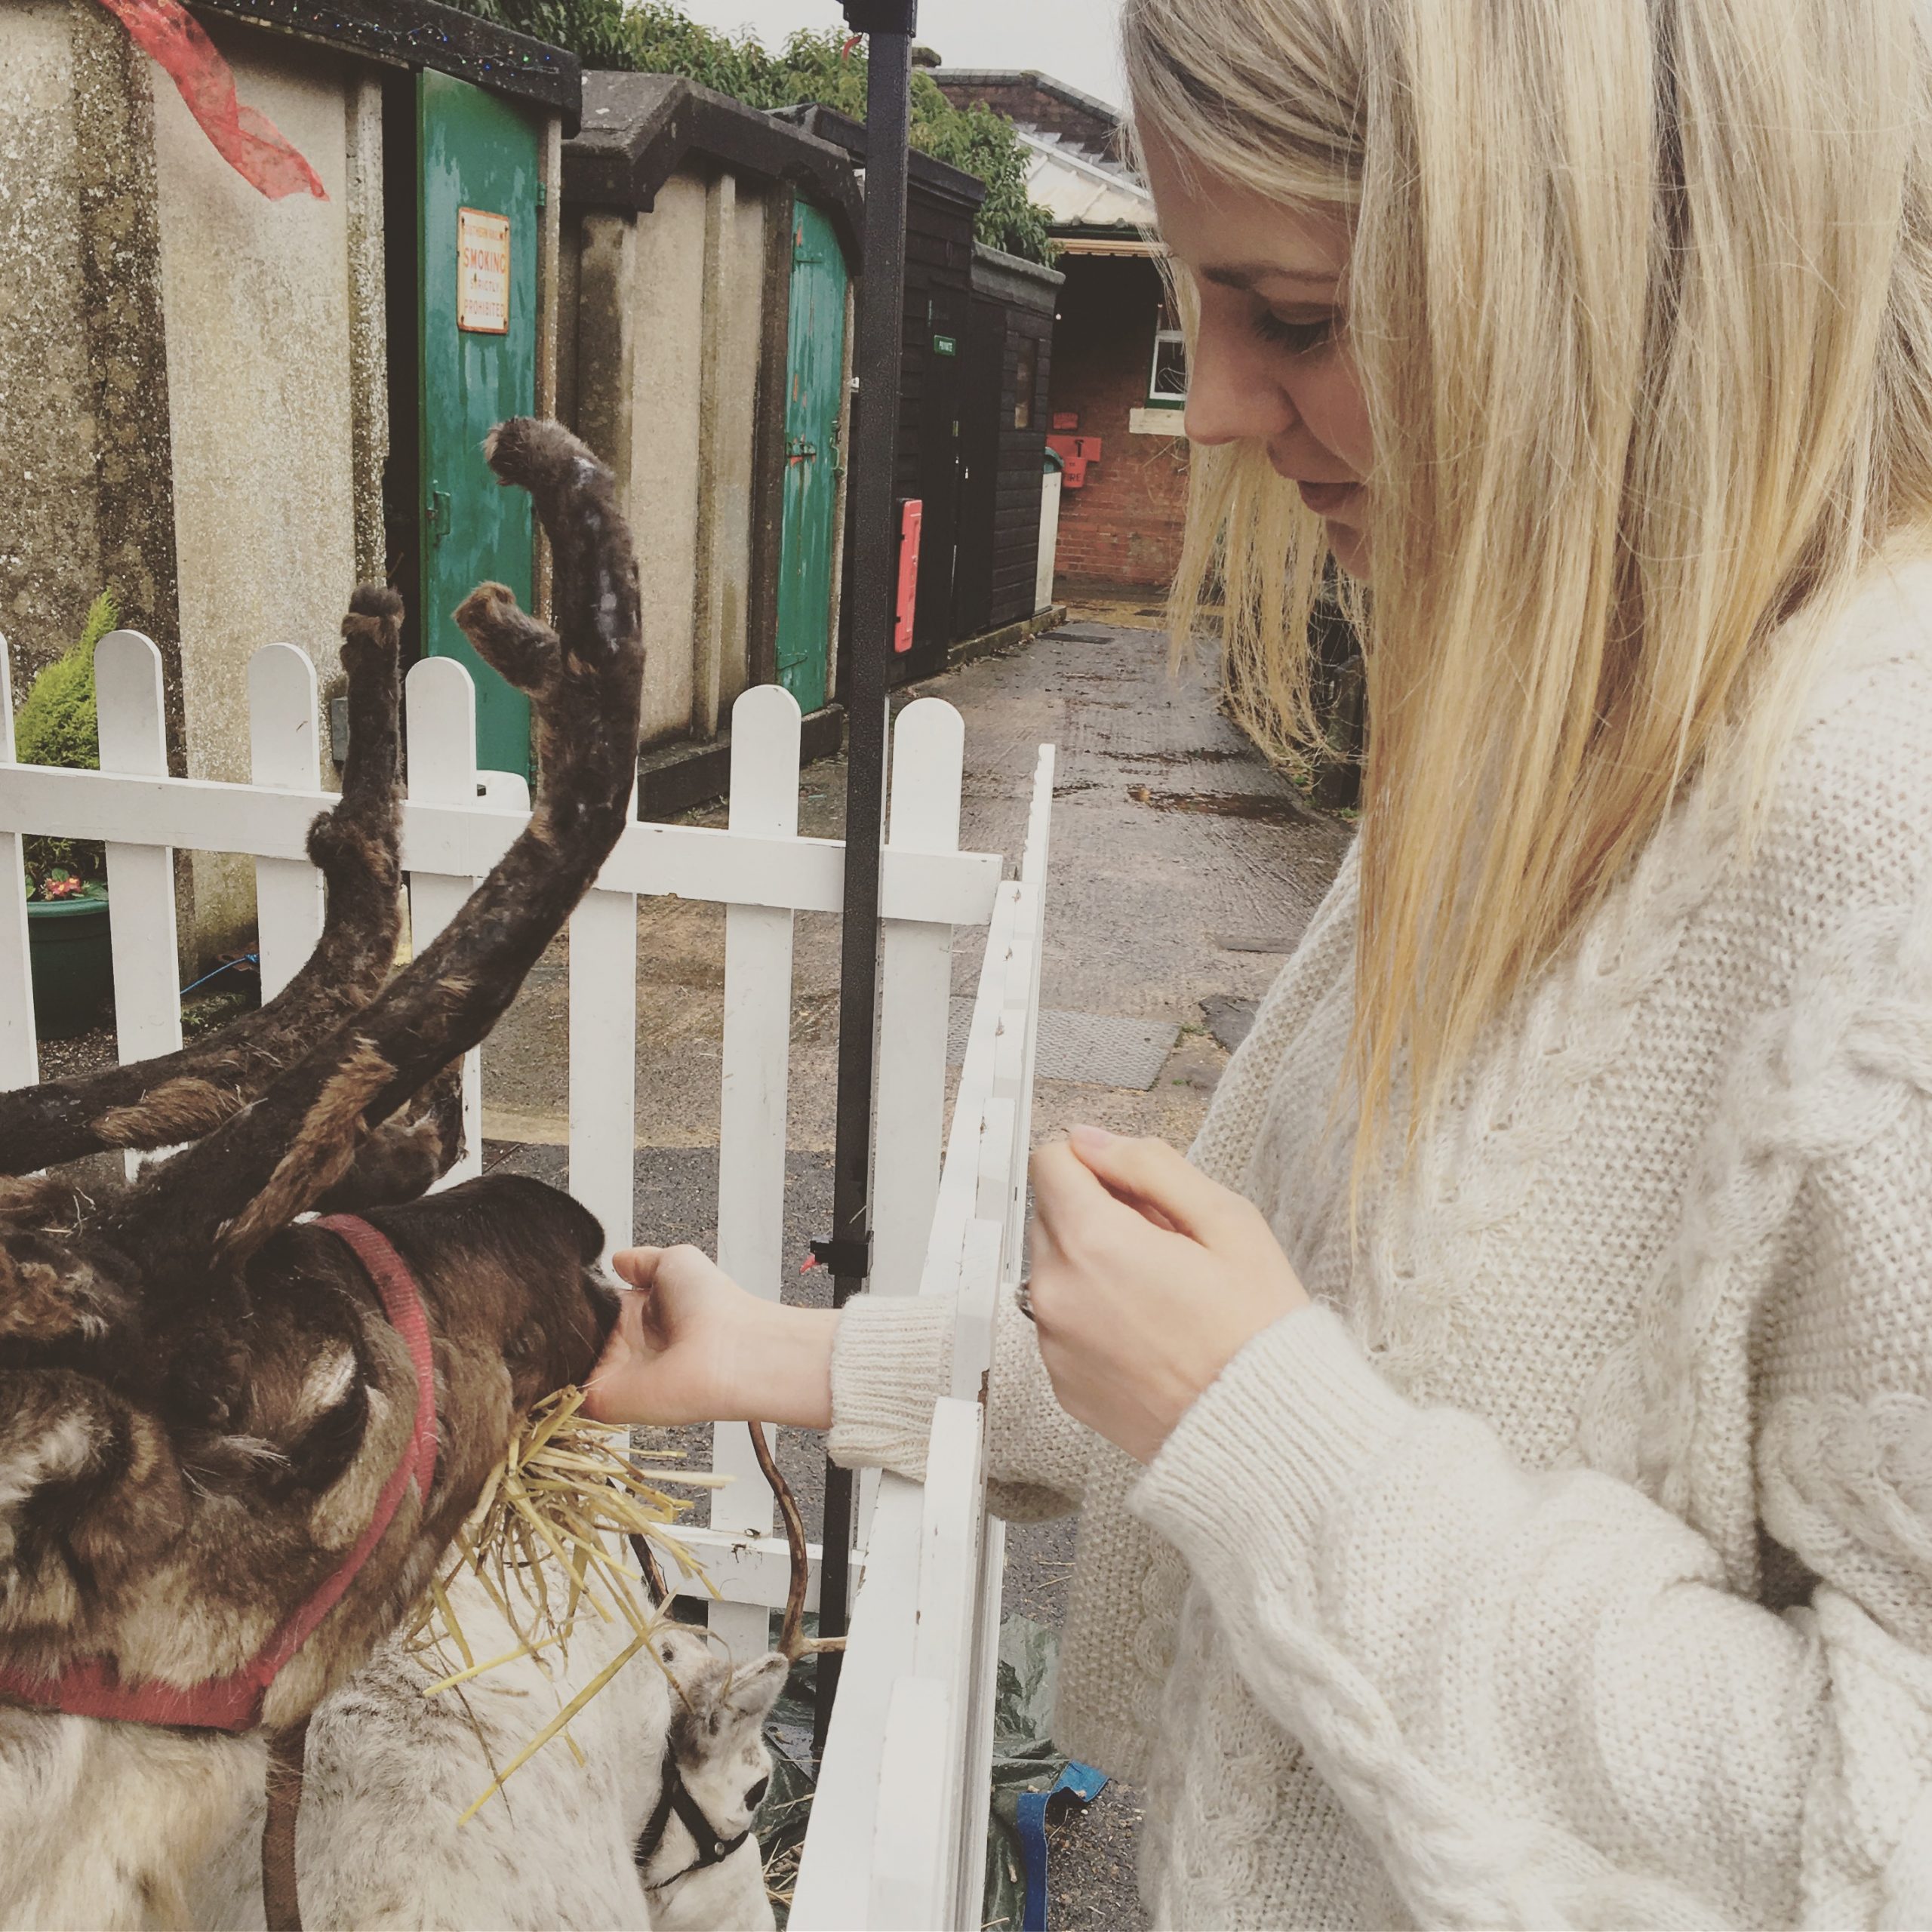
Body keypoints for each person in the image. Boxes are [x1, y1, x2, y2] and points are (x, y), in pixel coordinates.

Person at [587, 1, 1932, 1924]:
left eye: (1290, 316)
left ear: (1609, 279)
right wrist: (773, 1351)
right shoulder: (1534, 742)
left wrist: (1261, 1422)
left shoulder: (1884, 850)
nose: (1209, 406)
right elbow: (1261, 1366)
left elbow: (1881, 1823)